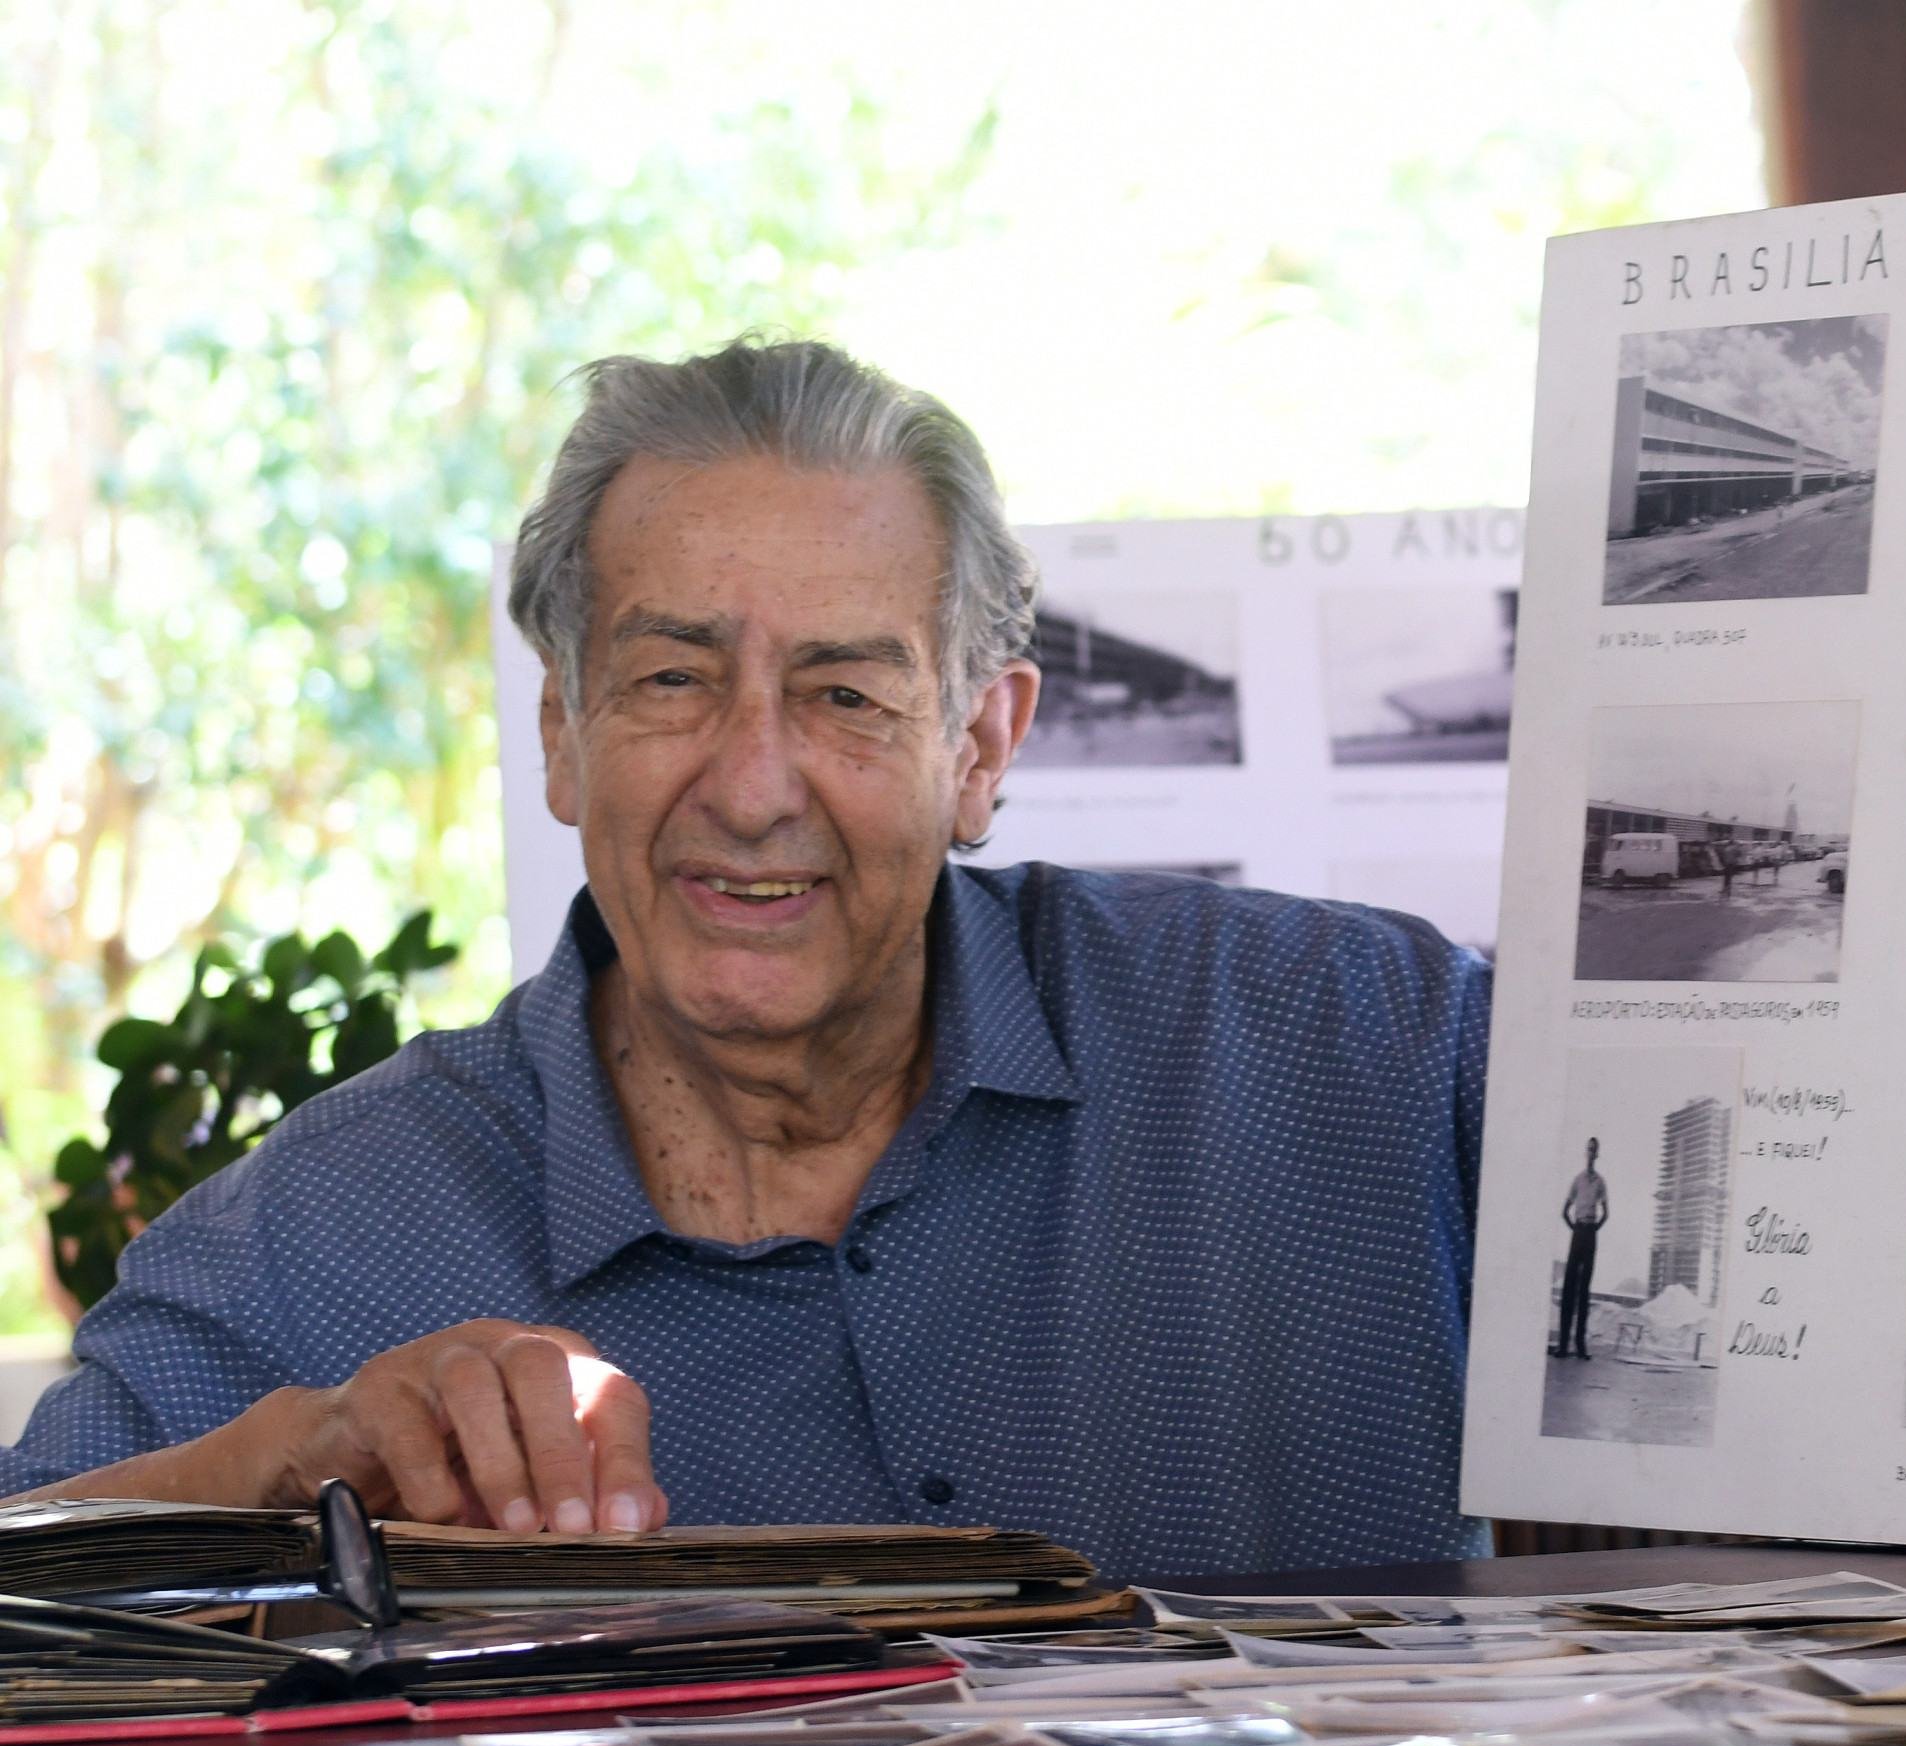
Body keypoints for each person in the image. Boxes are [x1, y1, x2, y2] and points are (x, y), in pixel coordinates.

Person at [0, 338, 1492, 1583]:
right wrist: (279, 1471)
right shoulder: (328, 1231)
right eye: (671, 680)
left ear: (980, 747)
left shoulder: (1372, 1052)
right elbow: (25, 1576)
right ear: (563, 737)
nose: (754, 782)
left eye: (845, 693)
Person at [1551, 1138, 1609, 1362]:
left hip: (1591, 1234)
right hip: (1577, 1233)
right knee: (1569, 1288)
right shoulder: (1577, 1180)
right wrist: (1574, 1228)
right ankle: (1563, 1346)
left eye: (1595, 1150)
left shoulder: (1600, 1182)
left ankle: (1581, 1346)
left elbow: (1606, 1212)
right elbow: (1564, 1210)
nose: (1591, 1154)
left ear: (1598, 1154)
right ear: (1585, 1152)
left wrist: (1594, 1229)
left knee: (1584, 1290)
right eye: (1589, 1149)